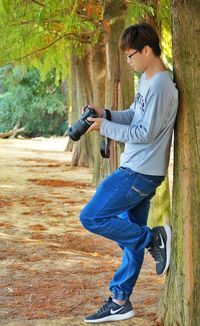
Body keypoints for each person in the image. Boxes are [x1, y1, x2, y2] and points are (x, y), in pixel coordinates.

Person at [79, 22, 179, 323]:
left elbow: (145, 133)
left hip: (139, 172)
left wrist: (105, 128)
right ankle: (121, 299)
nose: (128, 61)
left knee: (92, 217)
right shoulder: (147, 81)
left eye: (131, 55)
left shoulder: (162, 85)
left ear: (147, 50)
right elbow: (134, 116)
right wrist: (105, 114)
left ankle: (153, 240)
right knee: (129, 235)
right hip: (138, 168)